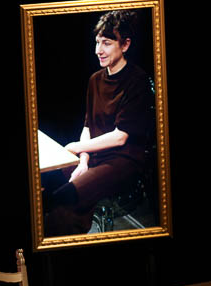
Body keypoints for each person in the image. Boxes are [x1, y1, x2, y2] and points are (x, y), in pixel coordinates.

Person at [47, 9, 154, 235]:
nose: (98, 50)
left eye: (106, 43)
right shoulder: (95, 80)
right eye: (97, 42)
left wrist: (77, 147)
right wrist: (83, 160)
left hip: (123, 160)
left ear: (125, 45)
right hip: (94, 156)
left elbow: (120, 136)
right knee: (50, 186)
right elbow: (88, 126)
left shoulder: (138, 81)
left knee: (65, 198)